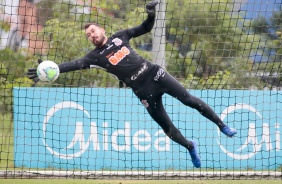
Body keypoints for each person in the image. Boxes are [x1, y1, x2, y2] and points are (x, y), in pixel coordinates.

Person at [27, 1, 237, 168]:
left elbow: (145, 27)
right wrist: (51, 69)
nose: (92, 35)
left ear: (101, 29)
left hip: (155, 74)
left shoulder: (120, 36)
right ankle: (190, 146)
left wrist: (151, 14)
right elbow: (73, 65)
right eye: (89, 35)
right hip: (143, 91)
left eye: (93, 31)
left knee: (189, 100)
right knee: (167, 128)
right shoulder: (94, 57)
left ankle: (222, 125)